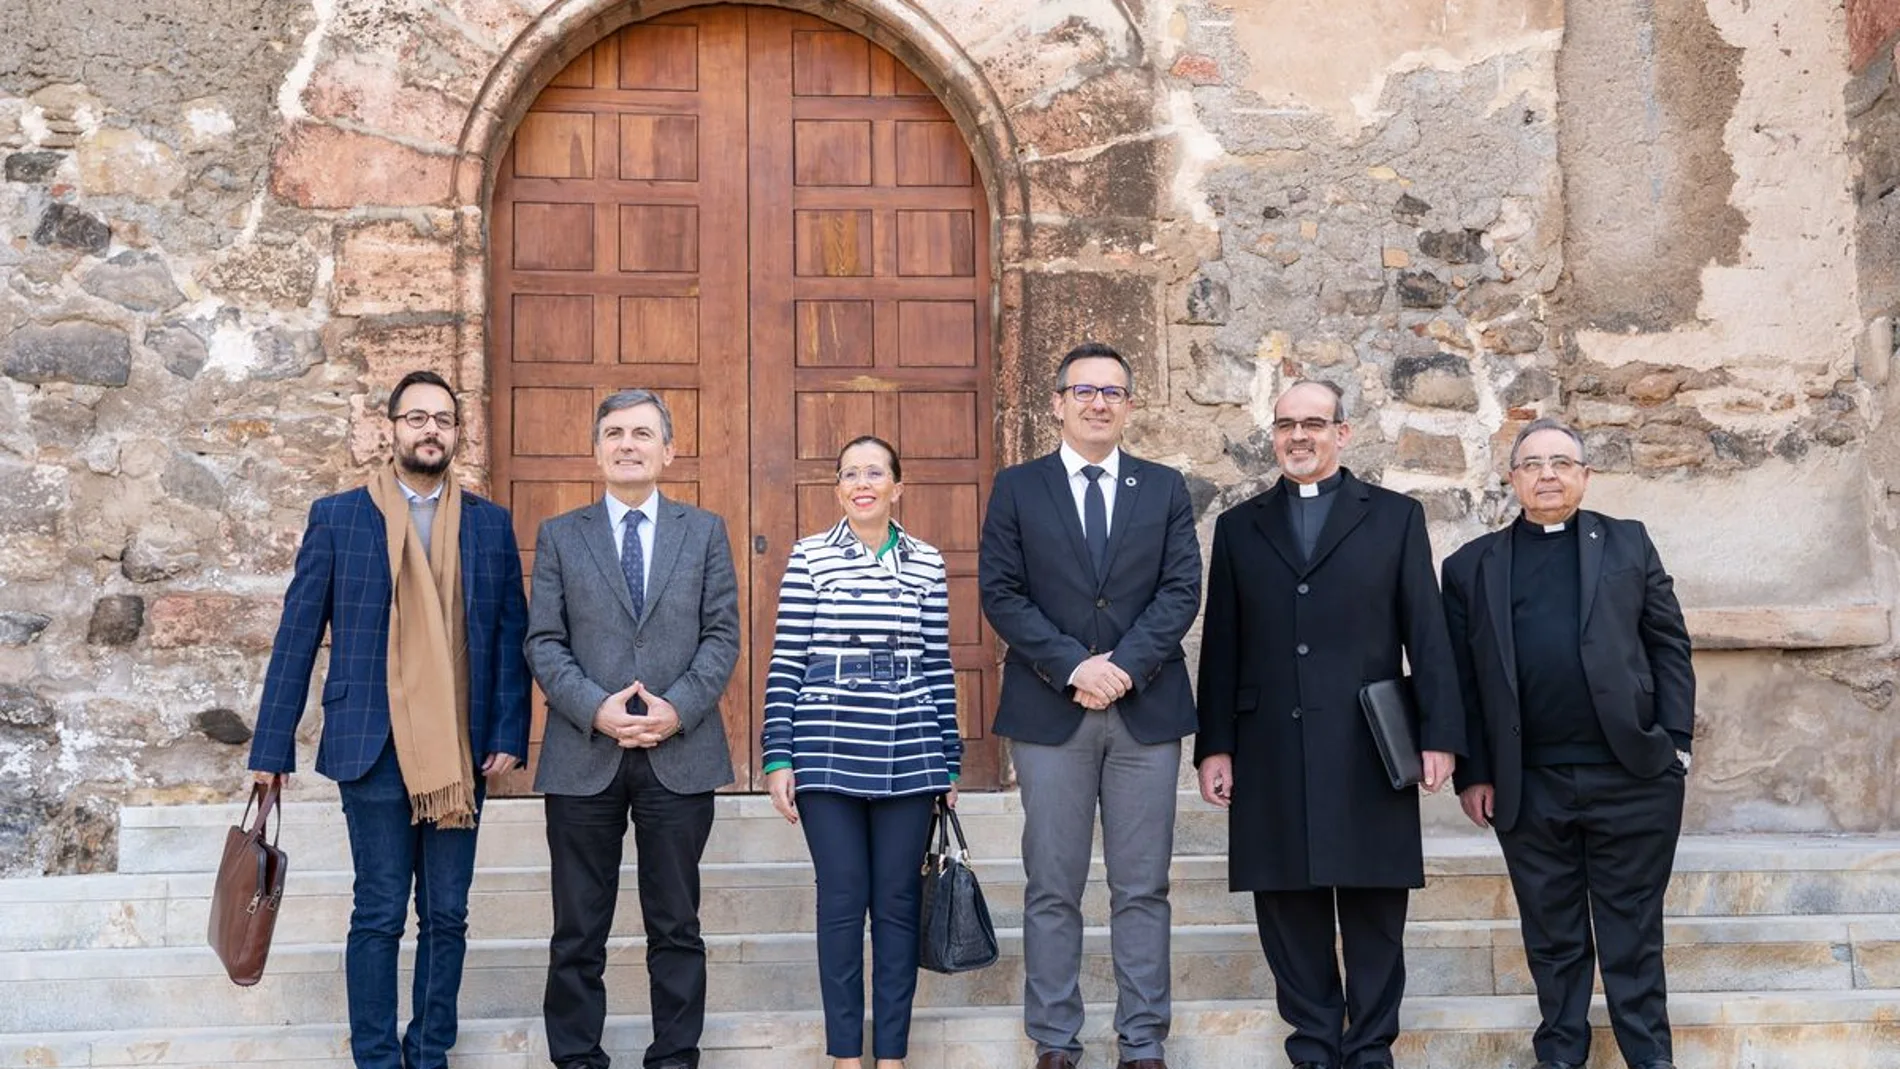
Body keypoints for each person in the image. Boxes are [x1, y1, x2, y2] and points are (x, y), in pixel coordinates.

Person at [248, 369, 531, 1069]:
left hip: (460, 751)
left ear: (458, 433)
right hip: (371, 744)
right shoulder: (339, 517)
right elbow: (297, 635)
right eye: (416, 418)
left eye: (442, 418)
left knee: (446, 915)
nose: (429, 429)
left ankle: (429, 1049)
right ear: (391, 429)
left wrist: (505, 731)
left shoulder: (490, 525)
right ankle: (376, 1055)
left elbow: (506, 635)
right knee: (377, 911)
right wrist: (270, 743)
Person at [1194, 379, 1463, 1069]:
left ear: (1343, 433)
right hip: (1269, 746)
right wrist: (1214, 745)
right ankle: (1313, 1047)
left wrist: (1440, 733)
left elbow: (1426, 633)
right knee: (1286, 903)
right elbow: (1221, 643)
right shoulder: (1238, 525)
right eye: (1286, 424)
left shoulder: (1395, 517)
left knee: (1375, 902)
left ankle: (1370, 1048)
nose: (1298, 436)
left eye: (1314, 422)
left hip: (1367, 744)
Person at [1441, 417, 1694, 1069]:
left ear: (1584, 475)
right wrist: (1473, 771)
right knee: (1551, 931)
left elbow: (1668, 642)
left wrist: (1676, 741)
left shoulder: (1628, 543)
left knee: (1631, 928)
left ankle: (1649, 1056)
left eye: (1561, 462)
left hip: (1632, 775)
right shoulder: (1470, 566)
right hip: (1529, 782)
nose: (1547, 474)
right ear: (1512, 478)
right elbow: (1462, 679)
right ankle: (1560, 1053)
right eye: (1532, 463)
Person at [978, 341, 1202, 1069]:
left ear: (1130, 406)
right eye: (1084, 390)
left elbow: (1179, 591)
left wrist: (1122, 669)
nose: (1098, 402)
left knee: (1143, 885)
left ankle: (1142, 1040)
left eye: (1112, 391)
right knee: (1053, 883)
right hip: (1051, 712)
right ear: (1057, 402)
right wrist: (1074, 664)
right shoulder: (1018, 487)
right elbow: (1001, 591)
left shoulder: (1164, 487)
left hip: (1145, 713)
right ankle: (1054, 1039)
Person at [524, 389, 742, 1069]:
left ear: (667, 450)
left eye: (642, 433)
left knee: (676, 924)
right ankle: (578, 1058)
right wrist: (595, 707)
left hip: (681, 752)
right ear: (596, 450)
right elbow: (544, 640)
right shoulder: (561, 534)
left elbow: (722, 634)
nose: (627, 443)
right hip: (583, 750)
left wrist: (678, 706)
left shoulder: (704, 531)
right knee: (578, 927)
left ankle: (675, 1056)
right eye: (614, 432)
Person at [760, 435, 963, 1069]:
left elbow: (938, 663)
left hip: (910, 749)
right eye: (850, 473)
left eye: (875, 472)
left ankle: (892, 1055)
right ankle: (846, 1055)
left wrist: (949, 760)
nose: (862, 482)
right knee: (844, 901)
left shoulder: (927, 561)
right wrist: (777, 757)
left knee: (898, 904)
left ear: (897, 486)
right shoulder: (810, 556)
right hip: (826, 750)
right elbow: (788, 658)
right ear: (838, 488)